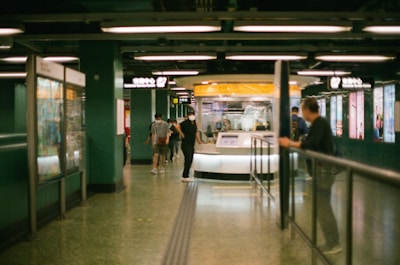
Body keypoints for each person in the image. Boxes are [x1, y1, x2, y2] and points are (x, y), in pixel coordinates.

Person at [279, 98, 342, 255]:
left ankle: (334, 243)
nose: (302, 113)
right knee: (322, 207)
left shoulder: (320, 123)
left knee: (323, 207)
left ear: (307, 110)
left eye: (303, 109)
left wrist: (290, 143)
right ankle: (331, 241)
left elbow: (310, 143)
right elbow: (309, 140)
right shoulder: (317, 124)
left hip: (324, 171)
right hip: (321, 171)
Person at [175, 111, 203, 182]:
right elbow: (177, 126)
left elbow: (196, 133)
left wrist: (199, 141)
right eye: (190, 115)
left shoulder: (194, 123)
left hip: (191, 144)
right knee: (188, 159)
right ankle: (185, 176)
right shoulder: (185, 123)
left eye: (193, 115)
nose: (192, 116)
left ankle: (186, 174)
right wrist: (181, 134)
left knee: (190, 159)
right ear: (188, 116)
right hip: (185, 144)